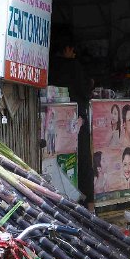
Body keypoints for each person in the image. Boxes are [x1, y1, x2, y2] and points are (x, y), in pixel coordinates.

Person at [49, 31, 94, 208]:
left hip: (55, 122)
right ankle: (89, 205)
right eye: (72, 49)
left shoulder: (50, 66)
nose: (74, 53)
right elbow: (85, 91)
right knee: (83, 161)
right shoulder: (73, 66)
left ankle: (63, 203)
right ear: (67, 49)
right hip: (77, 120)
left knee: (60, 161)